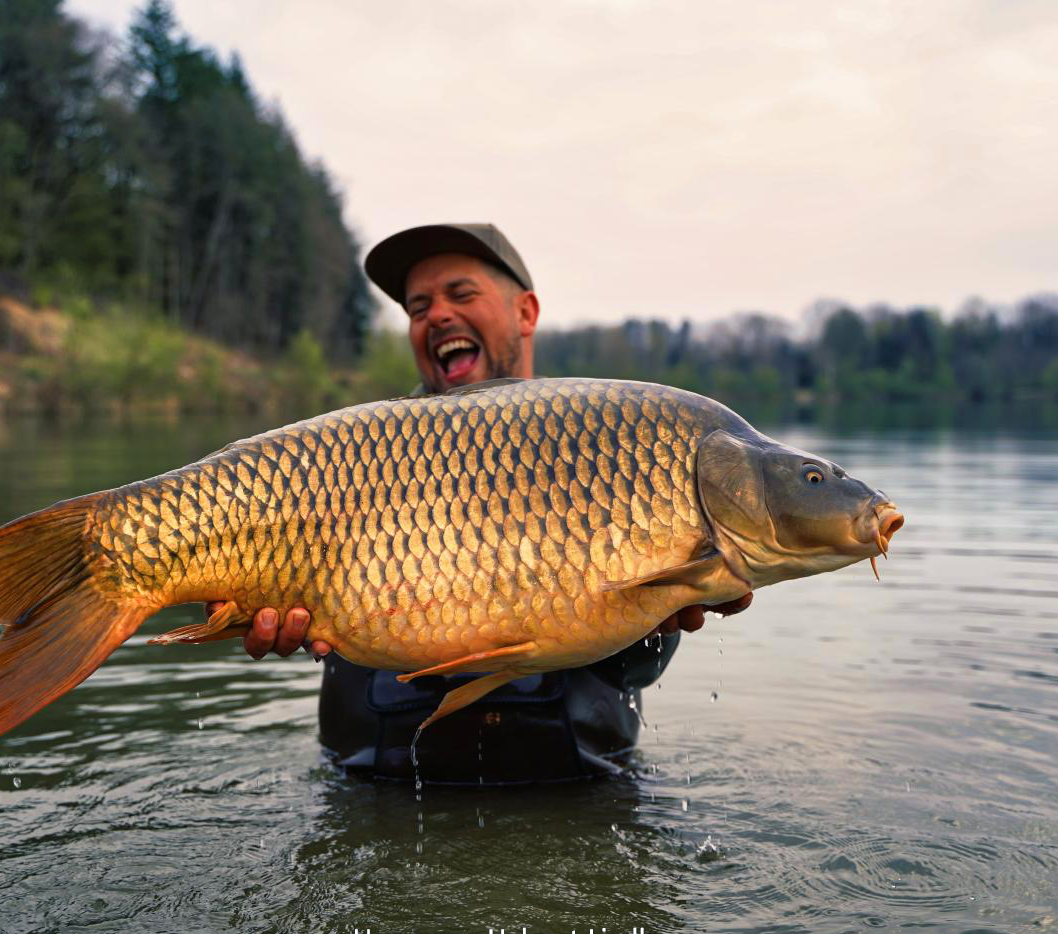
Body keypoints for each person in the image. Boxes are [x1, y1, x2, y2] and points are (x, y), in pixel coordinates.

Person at [212, 224, 751, 783]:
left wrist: (659, 617)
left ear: (525, 311)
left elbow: (636, 668)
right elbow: (280, 611)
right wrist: (266, 609)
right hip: (373, 794)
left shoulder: (609, 446)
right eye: (419, 306)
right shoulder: (349, 458)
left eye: (461, 294)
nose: (437, 315)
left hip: (576, 796)